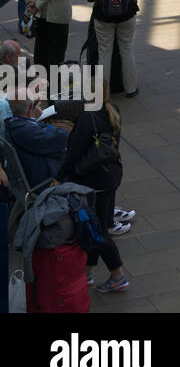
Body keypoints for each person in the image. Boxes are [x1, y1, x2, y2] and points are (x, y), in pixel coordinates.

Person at [57, 101, 129, 292]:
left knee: (98, 232)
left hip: (94, 181)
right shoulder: (111, 109)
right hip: (109, 176)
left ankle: (117, 275)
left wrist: (59, 178)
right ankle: (86, 272)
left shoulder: (87, 118)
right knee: (97, 227)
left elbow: (73, 154)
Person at [85, 0, 144, 100]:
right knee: (127, 50)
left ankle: (104, 92)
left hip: (103, 17)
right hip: (127, 15)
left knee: (104, 52)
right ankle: (131, 88)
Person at [4, 88, 69, 189]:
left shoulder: (13, 124)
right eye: (34, 97)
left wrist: (32, 118)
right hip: (45, 180)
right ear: (30, 106)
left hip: (32, 171)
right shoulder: (27, 132)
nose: (38, 98)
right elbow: (63, 136)